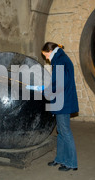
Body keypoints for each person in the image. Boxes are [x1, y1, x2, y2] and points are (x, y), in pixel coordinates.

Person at [28, 42, 79, 171]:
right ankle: (60, 159)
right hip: (61, 100)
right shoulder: (60, 59)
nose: (45, 58)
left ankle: (71, 163)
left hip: (63, 102)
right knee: (61, 132)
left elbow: (59, 84)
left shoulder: (60, 60)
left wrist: (44, 90)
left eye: (45, 55)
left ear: (50, 51)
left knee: (65, 132)